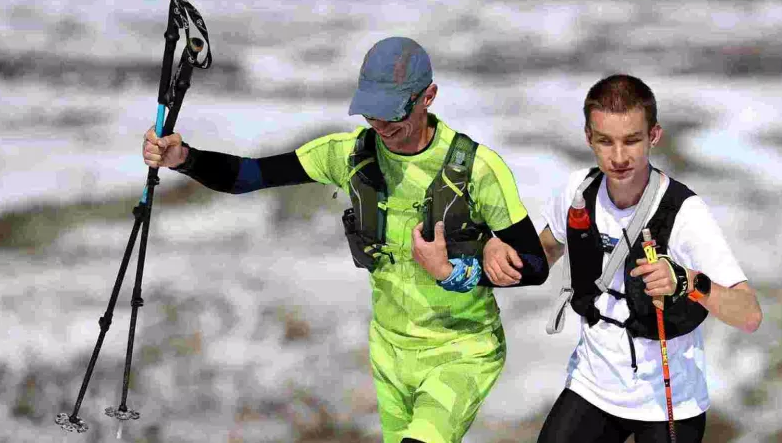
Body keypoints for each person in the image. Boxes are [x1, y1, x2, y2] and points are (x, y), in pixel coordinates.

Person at [143, 36, 549, 443]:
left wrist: (451, 271)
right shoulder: (348, 155)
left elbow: (534, 264)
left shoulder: (478, 169)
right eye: (373, 112)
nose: (382, 125)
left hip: (462, 351)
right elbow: (248, 176)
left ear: (429, 97)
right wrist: (185, 159)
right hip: (390, 353)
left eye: (393, 112)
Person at [483, 74, 763, 443]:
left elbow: (749, 315)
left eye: (632, 140)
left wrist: (687, 280)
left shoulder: (685, 213)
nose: (618, 157)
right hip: (592, 387)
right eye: (605, 141)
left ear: (654, 136)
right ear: (588, 137)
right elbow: (539, 258)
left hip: (669, 402)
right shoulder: (577, 191)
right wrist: (492, 248)